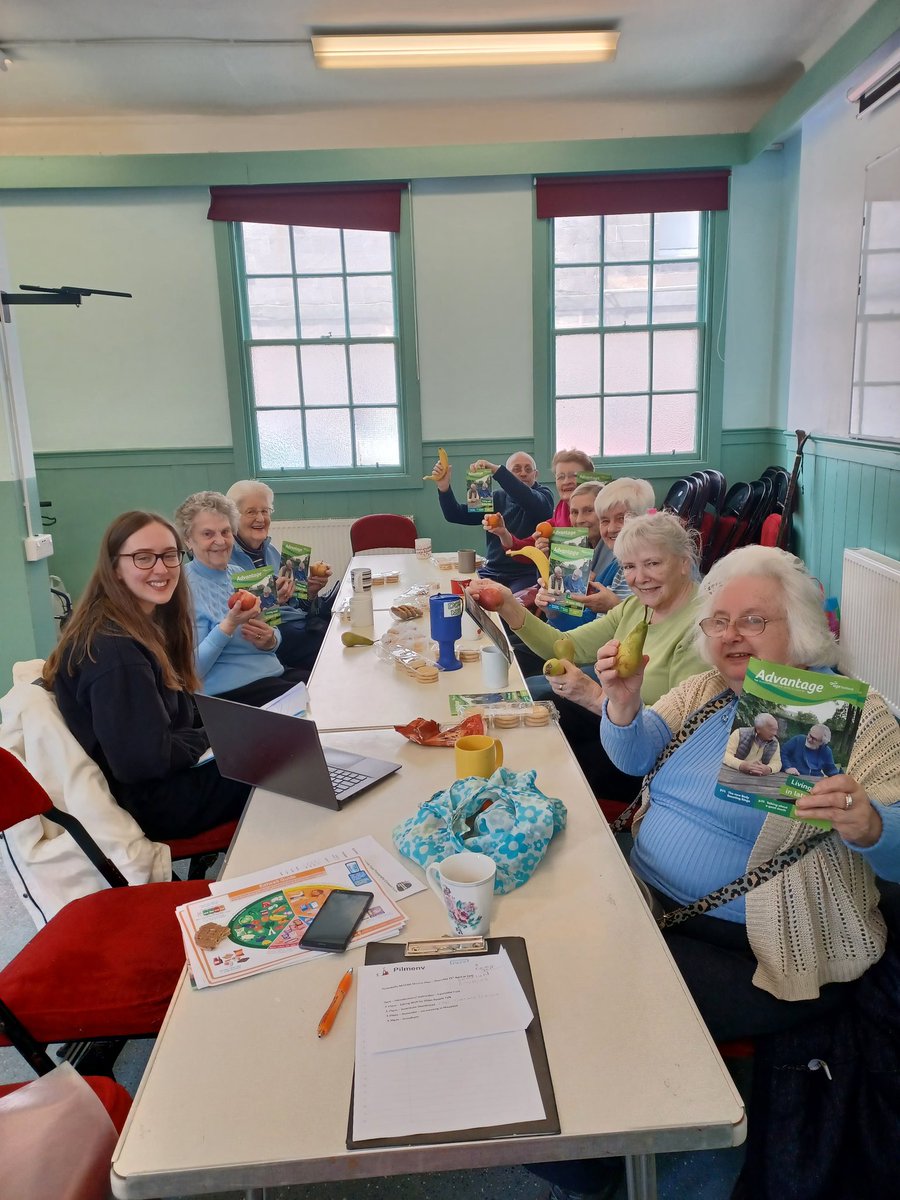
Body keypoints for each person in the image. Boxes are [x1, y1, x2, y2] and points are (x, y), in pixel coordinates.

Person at [539, 548, 900, 1200]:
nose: (730, 635)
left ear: (801, 630)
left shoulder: (855, 714)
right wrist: (621, 705)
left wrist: (869, 824)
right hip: (647, 897)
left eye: (754, 621)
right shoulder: (709, 691)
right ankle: (589, 1137)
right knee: (543, 945)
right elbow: (636, 753)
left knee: (587, 992)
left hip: (762, 946)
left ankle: (587, 1161)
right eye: (719, 620)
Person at [468, 511, 707, 803]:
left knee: (546, 761)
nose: (640, 578)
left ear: (684, 562)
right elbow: (565, 645)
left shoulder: (703, 627)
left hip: (649, 761)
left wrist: (593, 696)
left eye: (653, 563)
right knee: (533, 719)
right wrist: (506, 603)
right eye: (629, 566)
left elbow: (682, 731)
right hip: (613, 727)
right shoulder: (636, 606)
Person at [43, 511, 250, 841]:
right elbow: (143, 761)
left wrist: (225, 727)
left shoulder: (137, 623)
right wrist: (214, 735)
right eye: (143, 558)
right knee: (283, 769)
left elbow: (167, 725)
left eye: (169, 556)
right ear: (115, 569)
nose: (161, 568)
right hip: (155, 803)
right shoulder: (117, 652)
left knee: (270, 747)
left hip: (167, 779)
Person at [175, 491, 310, 704]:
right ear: (188, 540)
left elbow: (273, 632)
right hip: (231, 695)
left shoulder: (241, 574)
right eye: (208, 534)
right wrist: (228, 625)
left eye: (226, 532)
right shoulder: (181, 588)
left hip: (274, 675)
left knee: (333, 682)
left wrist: (270, 641)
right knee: (325, 702)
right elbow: (191, 670)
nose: (220, 541)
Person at [226, 480, 336, 673]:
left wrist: (310, 592)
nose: (260, 518)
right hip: (272, 636)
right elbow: (240, 622)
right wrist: (271, 601)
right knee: (332, 645)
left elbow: (296, 607)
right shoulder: (227, 561)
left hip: (298, 623)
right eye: (251, 512)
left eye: (265, 511)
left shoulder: (272, 551)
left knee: (337, 625)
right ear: (233, 517)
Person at [429, 450, 553, 590]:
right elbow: (455, 514)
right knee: (467, 593)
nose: (523, 473)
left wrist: (496, 470)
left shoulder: (545, 495)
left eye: (528, 469)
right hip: (491, 570)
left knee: (512, 602)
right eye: (516, 469)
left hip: (526, 573)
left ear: (536, 475)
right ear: (509, 474)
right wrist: (443, 487)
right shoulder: (495, 497)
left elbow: (528, 499)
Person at [487, 448, 598, 554]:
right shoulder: (560, 512)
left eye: (573, 476)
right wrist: (503, 533)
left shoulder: (600, 511)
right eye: (560, 477)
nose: (566, 482)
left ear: (589, 478)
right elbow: (525, 548)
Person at [589, 476, 656, 609]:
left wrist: (614, 606)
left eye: (622, 518)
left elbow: (659, 624)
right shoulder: (618, 564)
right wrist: (553, 609)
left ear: (645, 518)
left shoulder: (657, 568)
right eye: (605, 520)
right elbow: (588, 620)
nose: (611, 529)